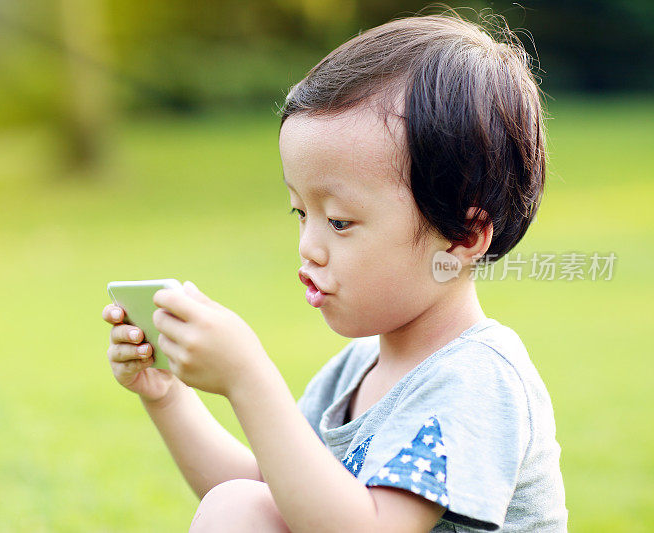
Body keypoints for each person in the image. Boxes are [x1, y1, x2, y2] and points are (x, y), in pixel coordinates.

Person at [102, 10, 567, 533]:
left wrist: (249, 378)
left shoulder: (479, 380)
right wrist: (166, 395)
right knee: (239, 505)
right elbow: (273, 493)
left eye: (340, 222)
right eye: (301, 214)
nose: (308, 247)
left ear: (462, 236)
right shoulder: (355, 370)